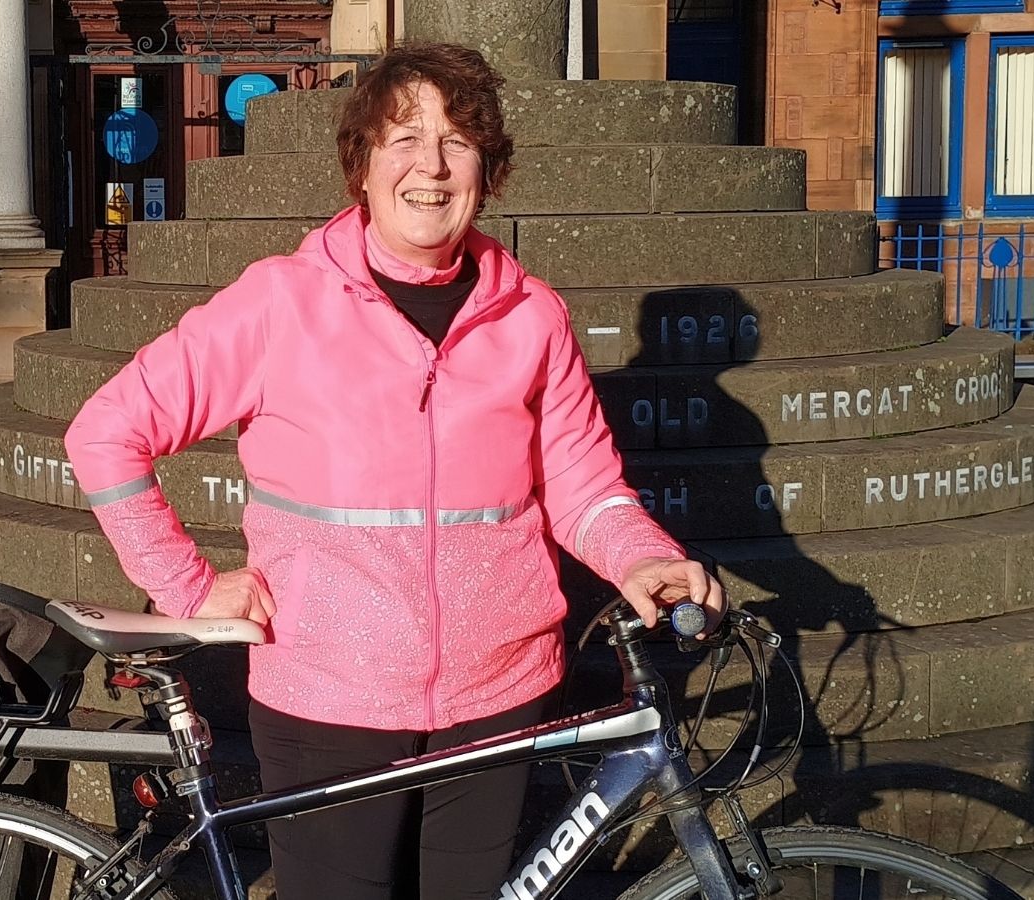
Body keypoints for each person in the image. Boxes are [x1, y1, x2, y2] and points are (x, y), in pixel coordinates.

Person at [64, 42, 725, 900]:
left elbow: (582, 482)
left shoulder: (533, 315)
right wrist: (187, 590)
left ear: (487, 169)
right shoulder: (280, 302)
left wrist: (641, 556)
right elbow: (106, 432)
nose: (432, 164)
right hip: (329, 698)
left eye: (458, 139)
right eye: (403, 137)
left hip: (499, 696)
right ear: (363, 168)